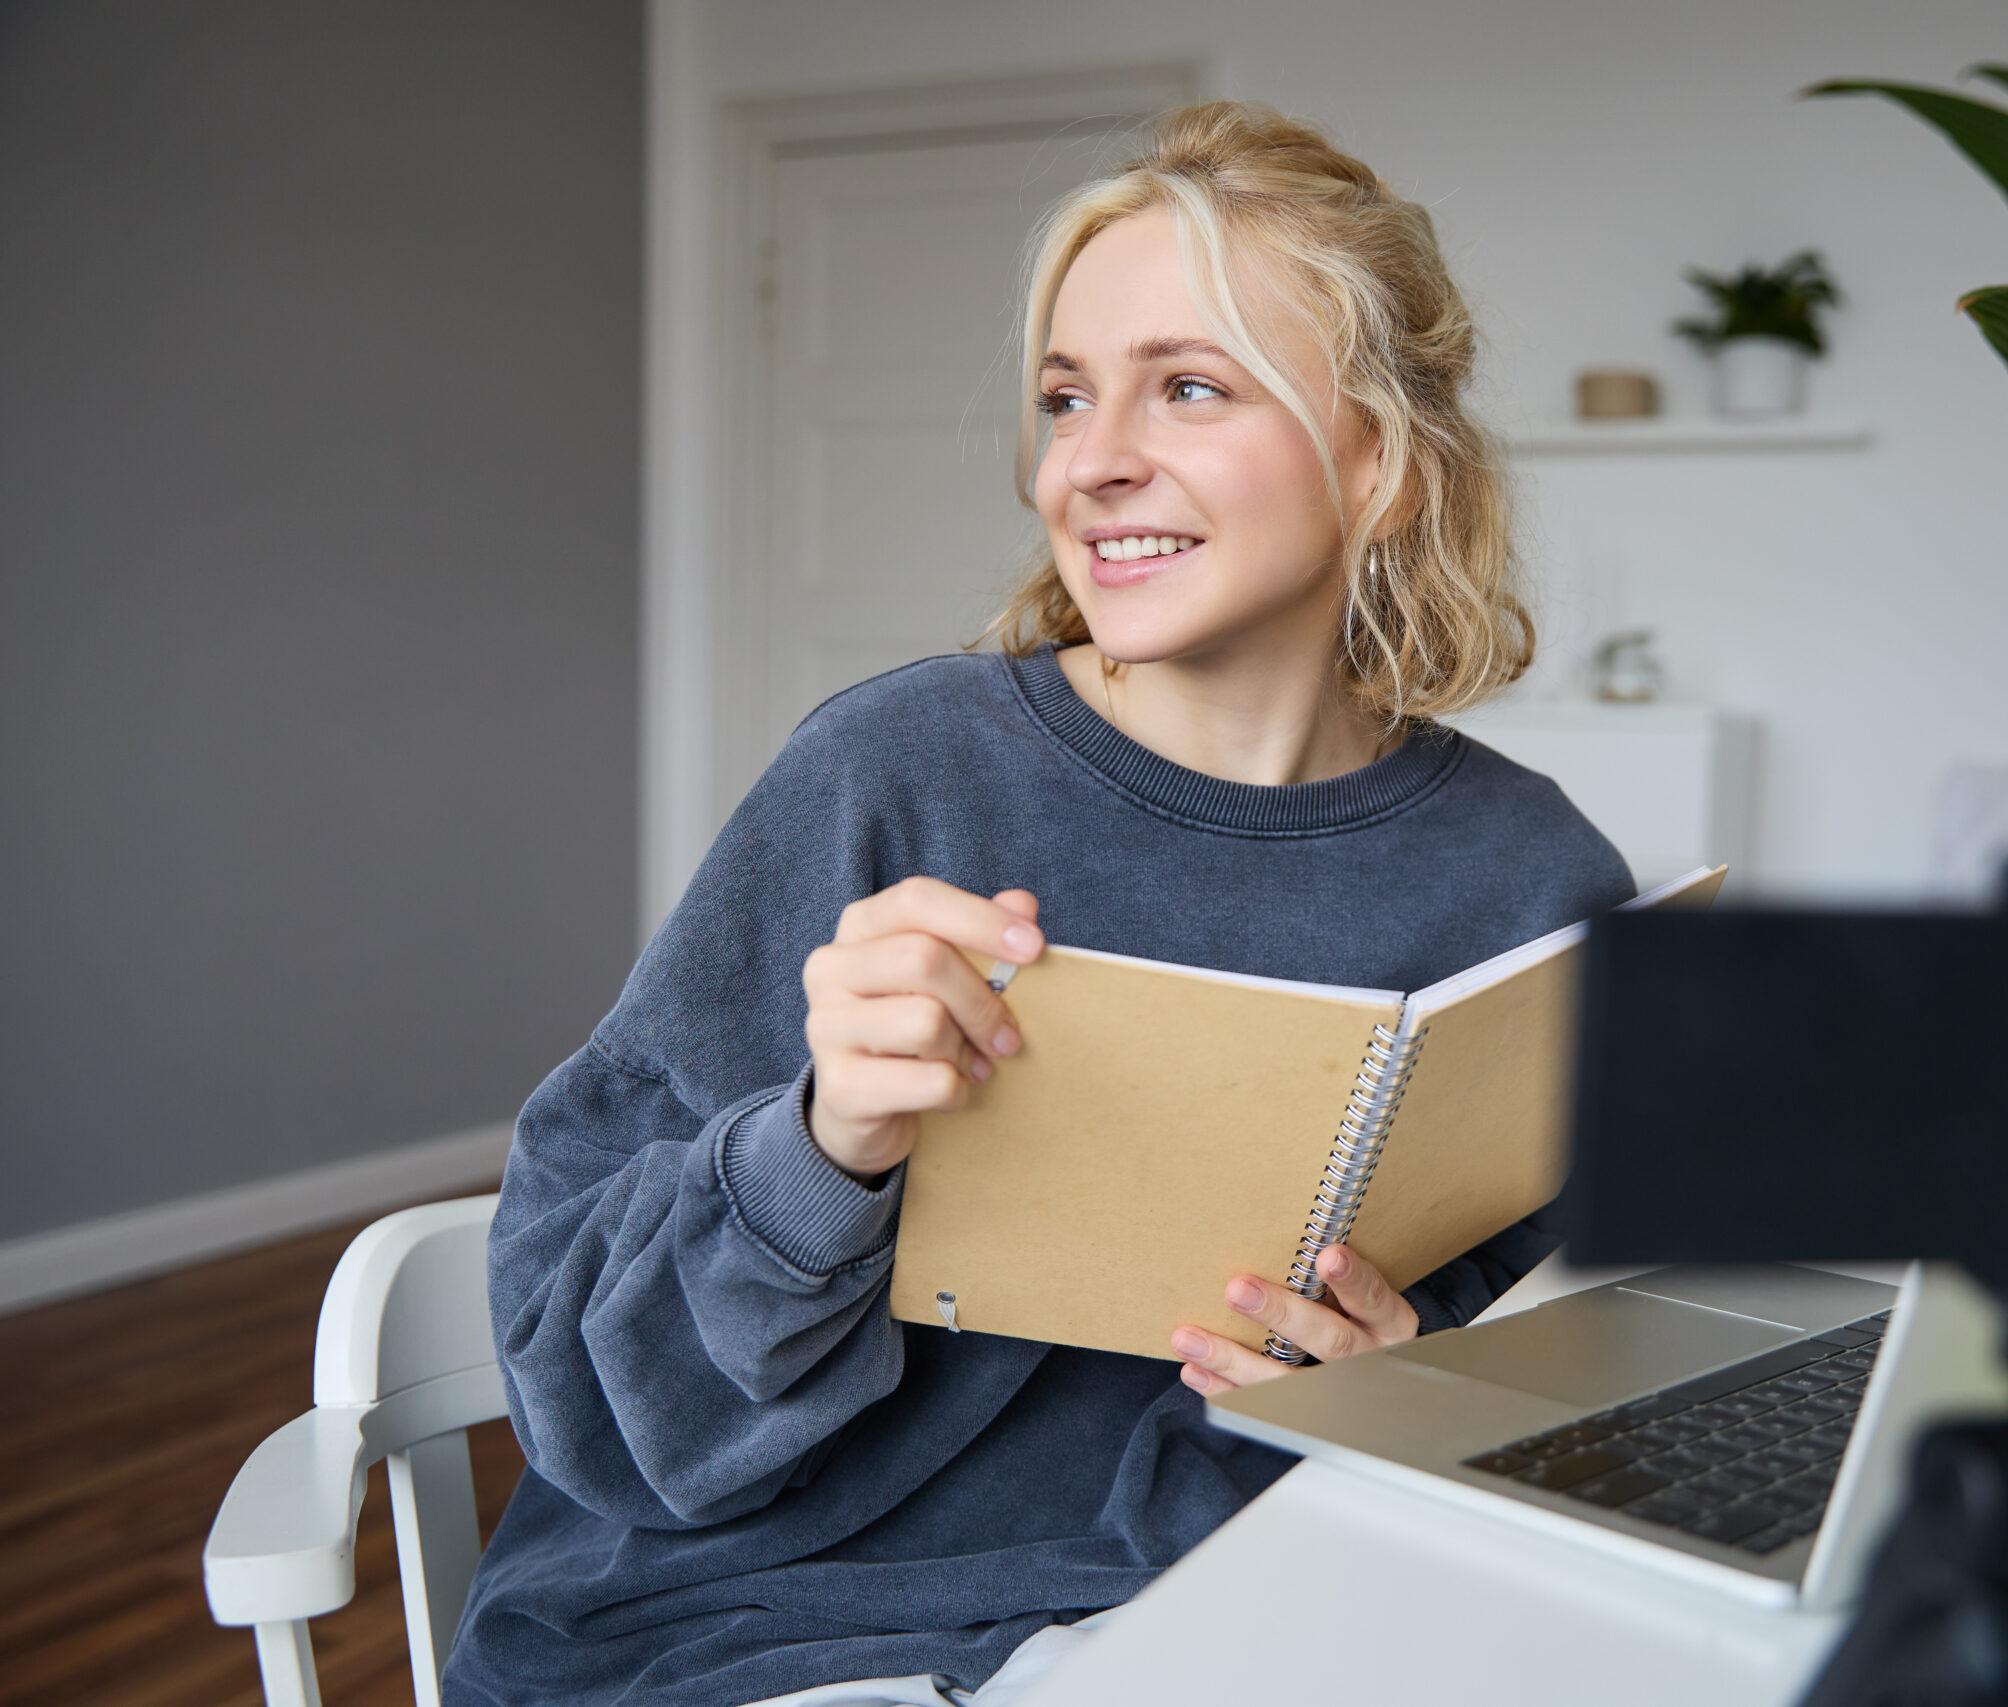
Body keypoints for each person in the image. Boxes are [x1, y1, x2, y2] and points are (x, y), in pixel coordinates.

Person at [441, 102, 1633, 1706]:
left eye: (1189, 388)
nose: (1090, 460)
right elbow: (583, 1392)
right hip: (762, 1628)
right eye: (1067, 396)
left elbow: (1553, 1363)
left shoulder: (1533, 877)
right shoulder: (895, 770)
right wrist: (821, 1147)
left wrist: (1401, 1378)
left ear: (1381, 462)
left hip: (1237, 1614)